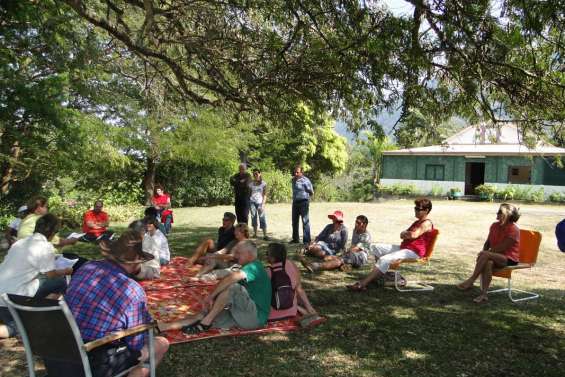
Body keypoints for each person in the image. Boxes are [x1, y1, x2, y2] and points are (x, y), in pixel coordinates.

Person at [63, 230, 169, 377]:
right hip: (96, 360)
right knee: (161, 343)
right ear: (137, 261)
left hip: (63, 350)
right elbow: (136, 343)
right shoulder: (131, 290)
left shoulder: (85, 268)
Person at [160, 241, 271, 334]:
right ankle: (163, 327)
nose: (236, 256)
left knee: (233, 287)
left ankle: (205, 324)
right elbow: (225, 280)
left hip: (255, 316)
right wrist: (214, 300)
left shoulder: (254, 266)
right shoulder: (245, 266)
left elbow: (231, 279)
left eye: (239, 253)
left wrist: (211, 296)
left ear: (249, 254)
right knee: (205, 314)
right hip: (243, 315)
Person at [0, 214, 73, 339]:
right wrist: (66, 271)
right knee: (60, 282)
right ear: (52, 232)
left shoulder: (20, 243)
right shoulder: (45, 247)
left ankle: (37, 310)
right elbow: (50, 274)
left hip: (3, 291)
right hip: (12, 298)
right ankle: (41, 313)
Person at [348, 198, 434, 292]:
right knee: (375, 247)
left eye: (418, 209)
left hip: (414, 252)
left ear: (426, 210)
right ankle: (380, 275)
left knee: (384, 259)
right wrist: (406, 234)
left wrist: (406, 234)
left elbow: (413, 234)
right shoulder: (417, 222)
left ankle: (362, 284)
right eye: (415, 208)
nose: (415, 210)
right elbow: (403, 235)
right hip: (404, 248)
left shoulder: (427, 223)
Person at [457, 203, 521, 303]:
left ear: (506, 214)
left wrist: (484, 254)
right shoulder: (494, 226)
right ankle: (484, 294)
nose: (497, 213)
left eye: (500, 211)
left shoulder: (514, 230)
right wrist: (485, 253)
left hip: (509, 259)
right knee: (488, 263)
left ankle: (472, 280)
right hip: (493, 256)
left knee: (485, 255)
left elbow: (502, 248)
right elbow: (488, 242)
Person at [266, 243, 318, 322]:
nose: (266, 256)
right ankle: (298, 308)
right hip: (291, 312)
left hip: (271, 315)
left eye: (267, 254)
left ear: (272, 258)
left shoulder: (266, 272)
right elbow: (299, 289)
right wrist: (309, 307)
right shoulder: (291, 265)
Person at [301, 215, 371, 273]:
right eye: (356, 222)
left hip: (361, 256)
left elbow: (356, 249)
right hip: (352, 254)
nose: (356, 224)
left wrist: (343, 255)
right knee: (329, 258)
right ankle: (346, 265)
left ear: (364, 225)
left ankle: (315, 266)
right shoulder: (355, 230)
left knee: (339, 260)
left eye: (358, 223)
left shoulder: (366, 236)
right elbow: (352, 246)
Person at [291, 165, 314, 244]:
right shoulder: (293, 180)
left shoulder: (306, 181)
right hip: (295, 203)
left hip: (303, 202)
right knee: (294, 222)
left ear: (301, 172)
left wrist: (306, 198)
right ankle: (295, 239)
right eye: (295, 172)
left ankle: (307, 241)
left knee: (305, 221)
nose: (296, 173)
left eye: (297, 172)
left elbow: (311, 192)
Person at [249, 168, 268, 240]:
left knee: (262, 217)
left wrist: (263, 205)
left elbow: (265, 195)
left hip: (260, 202)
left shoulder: (264, 183)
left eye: (256, 174)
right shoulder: (251, 184)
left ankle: (265, 235)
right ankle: (255, 234)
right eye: (254, 174)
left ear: (260, 174)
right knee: (253, 217)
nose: (255, 175)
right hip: (252, 202)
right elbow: (249, 194)